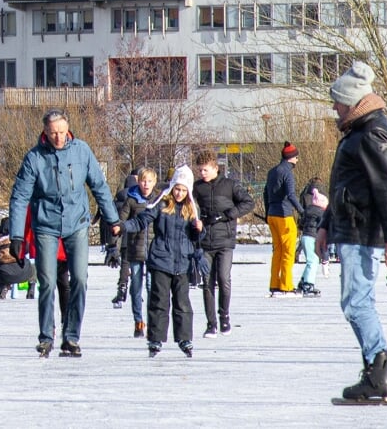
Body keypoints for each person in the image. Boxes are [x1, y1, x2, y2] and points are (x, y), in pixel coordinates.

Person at [320, 61, 387, 405]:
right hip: (350, 228)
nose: (335, 109)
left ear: (353, 102)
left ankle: (378, 370)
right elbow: (342, 185)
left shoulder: (372, 134)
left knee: (357, 303)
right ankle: (373, 369)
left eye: (338, 103)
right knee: (356, 302)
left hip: (362, 231)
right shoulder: (359, 132)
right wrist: (325, 225)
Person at [8, 108, 118, 357]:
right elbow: (19, 196)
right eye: (53, 133)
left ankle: (71, 336)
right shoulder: (34, 158)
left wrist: (112, 219)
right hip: (46, 225)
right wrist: (16, 235)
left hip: (77, 223)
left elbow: (99, 186)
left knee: (79, 279)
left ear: (68, 130)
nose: (58, 137)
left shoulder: (81, 150)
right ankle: (46, 336)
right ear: (45, 132)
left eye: (62, 132)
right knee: (46, 282)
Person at [120, 164, 203, 358]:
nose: (179, 193)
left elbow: (196, 237)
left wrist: (199, 229)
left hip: (182, 262)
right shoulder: (162, 203)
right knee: (159, 302)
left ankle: (184, 338)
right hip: (160, 260)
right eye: (177, 189)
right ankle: (155, 339)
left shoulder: (192, 209)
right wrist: (123, 227)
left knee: (183, 303)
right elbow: (142, 220)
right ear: (172, 187)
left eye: (183, 190)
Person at [191, 151, 253, 337]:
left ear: (215, 168)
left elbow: (248, 203)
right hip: (205, 241)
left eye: (206, 170)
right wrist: (195, 222)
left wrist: (226, 215)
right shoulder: (197, 188)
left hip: (225, 240)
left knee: (224, 280)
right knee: (207, 282)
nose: (203, 173)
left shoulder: (229, 185)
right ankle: (211, 324)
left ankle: (224, 316)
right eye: (200, 170)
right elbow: (188, 206)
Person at [112, 167, 159, 337]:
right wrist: (113, 244)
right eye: (143, 181)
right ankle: (139, 321)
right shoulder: (131, 200)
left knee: (151, 286)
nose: (146, 184)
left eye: (149, 181)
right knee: (137, 286)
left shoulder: (159, 200)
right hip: (135, 248)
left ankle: (152, 321)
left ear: (154, 182)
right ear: (138, 181)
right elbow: (120, 222)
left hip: (154, 250)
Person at [263, 143, 304, 295]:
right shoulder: (287, 173)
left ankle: (274, 283)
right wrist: (302, 211)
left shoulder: (272, 172)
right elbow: (291, 195)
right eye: (297, 157)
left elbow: (265, 193)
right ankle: (286, 285)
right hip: (285, 216)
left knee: (277, 251)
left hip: (272, 215)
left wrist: (267, 212)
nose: (298, 160)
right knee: (288, 252)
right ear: (291, 158)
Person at [295, 179, 327, 297]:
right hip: (312, 237)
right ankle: (308, 284)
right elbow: (323, 226)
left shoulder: (307, 210)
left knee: (311, 260)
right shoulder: (320, 213)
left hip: (305, 237)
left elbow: (301, 223)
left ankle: (303, 281)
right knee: (313, 261)